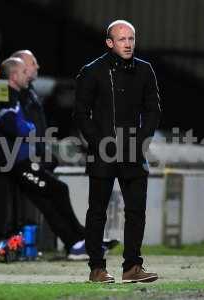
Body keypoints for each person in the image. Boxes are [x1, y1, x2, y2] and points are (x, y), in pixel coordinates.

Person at [0, 57, 116, 260]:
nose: (30, 73)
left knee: (48, 201)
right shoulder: (8, 97)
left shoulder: (16, 95)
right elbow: (17, 126)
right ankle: (79, 241)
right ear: (14, 75)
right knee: (58, 190)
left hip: (21, 160)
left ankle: (79, 243)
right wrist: (29, 130)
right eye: (24, 70)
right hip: (15, 163)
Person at [74, 20, 162, 283]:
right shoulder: (92, 71)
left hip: (133, 150)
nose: (128, 44)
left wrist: (141, 141)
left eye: (131, 39)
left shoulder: (145, 70)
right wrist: (97, 141)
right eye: (122, 39)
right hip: (103, 150)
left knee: (136, 210)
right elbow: (80, 113)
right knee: (97, 211)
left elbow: (153, 110)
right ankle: (97, 269)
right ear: (109, 43)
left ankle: (132, 267)